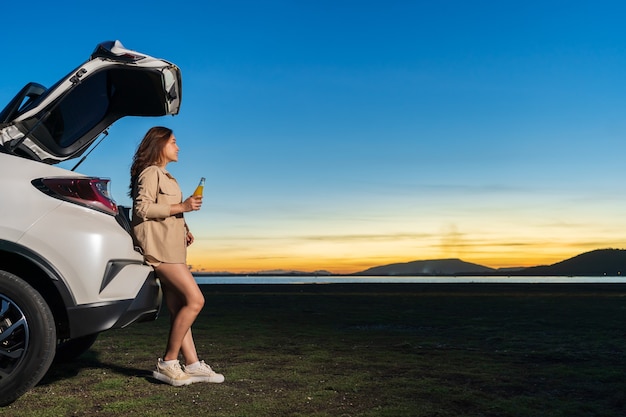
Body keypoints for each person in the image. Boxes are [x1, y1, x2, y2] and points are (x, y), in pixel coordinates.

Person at [129, 126, 224, 386]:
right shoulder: (150, 173)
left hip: (173, 246)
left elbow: (168, 212)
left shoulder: (166, 176)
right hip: (160, 249)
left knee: (178, 306)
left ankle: (192, 364)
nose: (178, 147)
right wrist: (183, 206)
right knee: (195, 300)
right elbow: (142, 208)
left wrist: (184, 227)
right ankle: (168, 362)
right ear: (159, 144)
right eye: (173, 142)